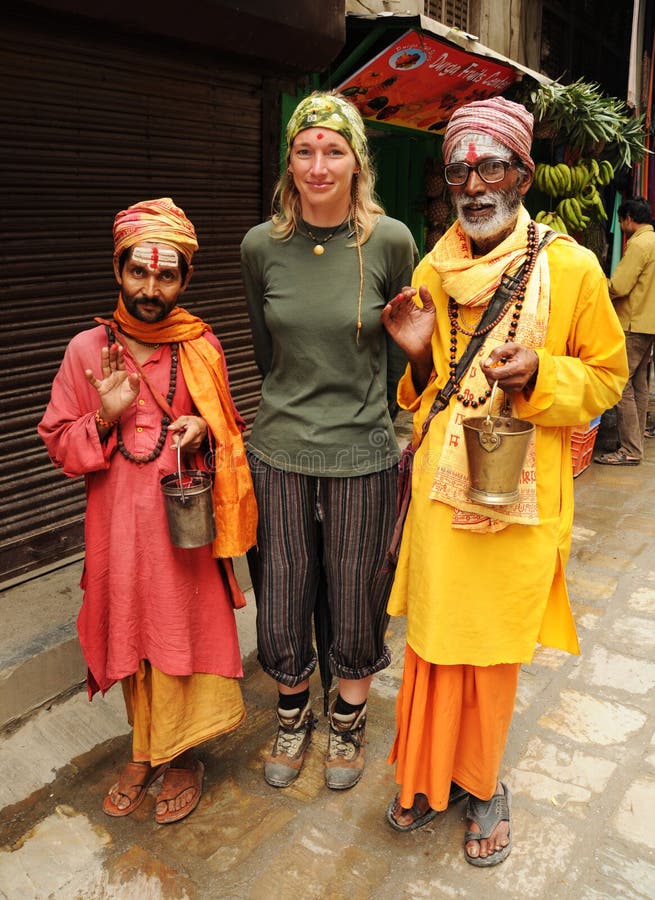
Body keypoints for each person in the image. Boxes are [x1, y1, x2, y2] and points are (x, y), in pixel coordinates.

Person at [380, 97, 627, 866]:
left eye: (490, 166)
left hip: (517, 495)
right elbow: (426, 392)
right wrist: (417, 357)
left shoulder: (571, 267)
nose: (472, 183)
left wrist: (537, 376)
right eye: (458, 169)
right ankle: (426, 777)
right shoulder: (432, 264)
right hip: (438, 489)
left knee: (487, 651)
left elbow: (606, 378)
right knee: (432, 638)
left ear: (521, 174)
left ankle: (482, 783)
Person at [38, 197, 258, 825]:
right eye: (139, 272)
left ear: (184, 279)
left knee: (180, 632)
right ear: (118, 270)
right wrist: (103, 416)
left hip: (179, 532)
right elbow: (58, 443)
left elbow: (229, 430)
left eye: (166, 275)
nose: (151, 288)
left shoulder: (200, 345)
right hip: (115, 532)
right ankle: (143, 749)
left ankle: (183, 755)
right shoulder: (86, 349)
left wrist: (201, 427)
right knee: (130, 633)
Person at [240, 91, 418, 791]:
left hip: (362, 451)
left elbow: (404, 349)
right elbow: (265, 351)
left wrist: (376, 413)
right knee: (282, 592)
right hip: (279, 447)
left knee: (355, 590)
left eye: (333, 150)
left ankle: (346, 723)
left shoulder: (392, 240)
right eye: (305, 150)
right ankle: (291, 714)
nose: (318, 165)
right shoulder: (261, 246)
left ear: (356, 161)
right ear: (289, 160)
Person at [594, 196, 655, 464]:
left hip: (633, 322)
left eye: (621, 220)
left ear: (629, 219)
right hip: (648, 323)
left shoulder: (640, 244)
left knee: (621, 383)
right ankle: (636, 439)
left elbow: (619, 286)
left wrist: (596, 285)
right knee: (639, 383)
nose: (620, 225)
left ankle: (630, 450)